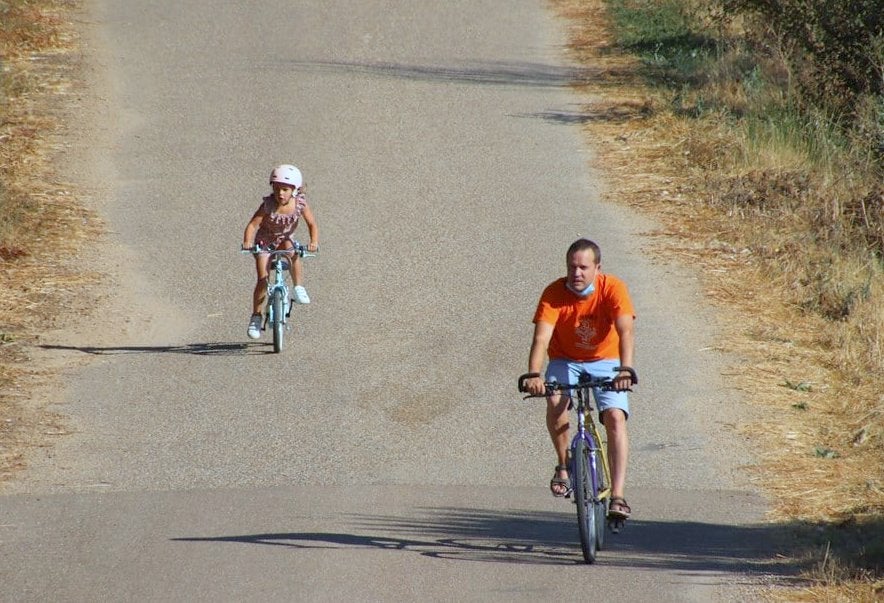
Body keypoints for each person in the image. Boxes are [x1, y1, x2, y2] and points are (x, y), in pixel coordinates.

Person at [523, 238, 636, 519]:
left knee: (614, 417)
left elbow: (626, 332)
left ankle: (618, 495)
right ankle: (563, 465)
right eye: (572, 267)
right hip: (565, 359)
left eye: (584, 267)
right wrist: (534, 374)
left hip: (606, 360)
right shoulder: (553, 293)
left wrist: (625, 369)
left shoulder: (613, 288)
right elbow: (541, 338)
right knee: (556, 402)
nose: (577, 273)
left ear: (598, 268)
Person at [241, 164, 319, 340]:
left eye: (285, 189)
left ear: (294, 189)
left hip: (284, 239)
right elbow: (253, 224)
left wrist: (313, 242)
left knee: (294, 253)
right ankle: (256, 317)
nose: (280, 194)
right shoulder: (268, 205)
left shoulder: (300, 204)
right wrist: (247, 241)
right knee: (263, 279)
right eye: (276, 189)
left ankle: (298, 287)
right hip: (265, 241)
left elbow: (312, 224)